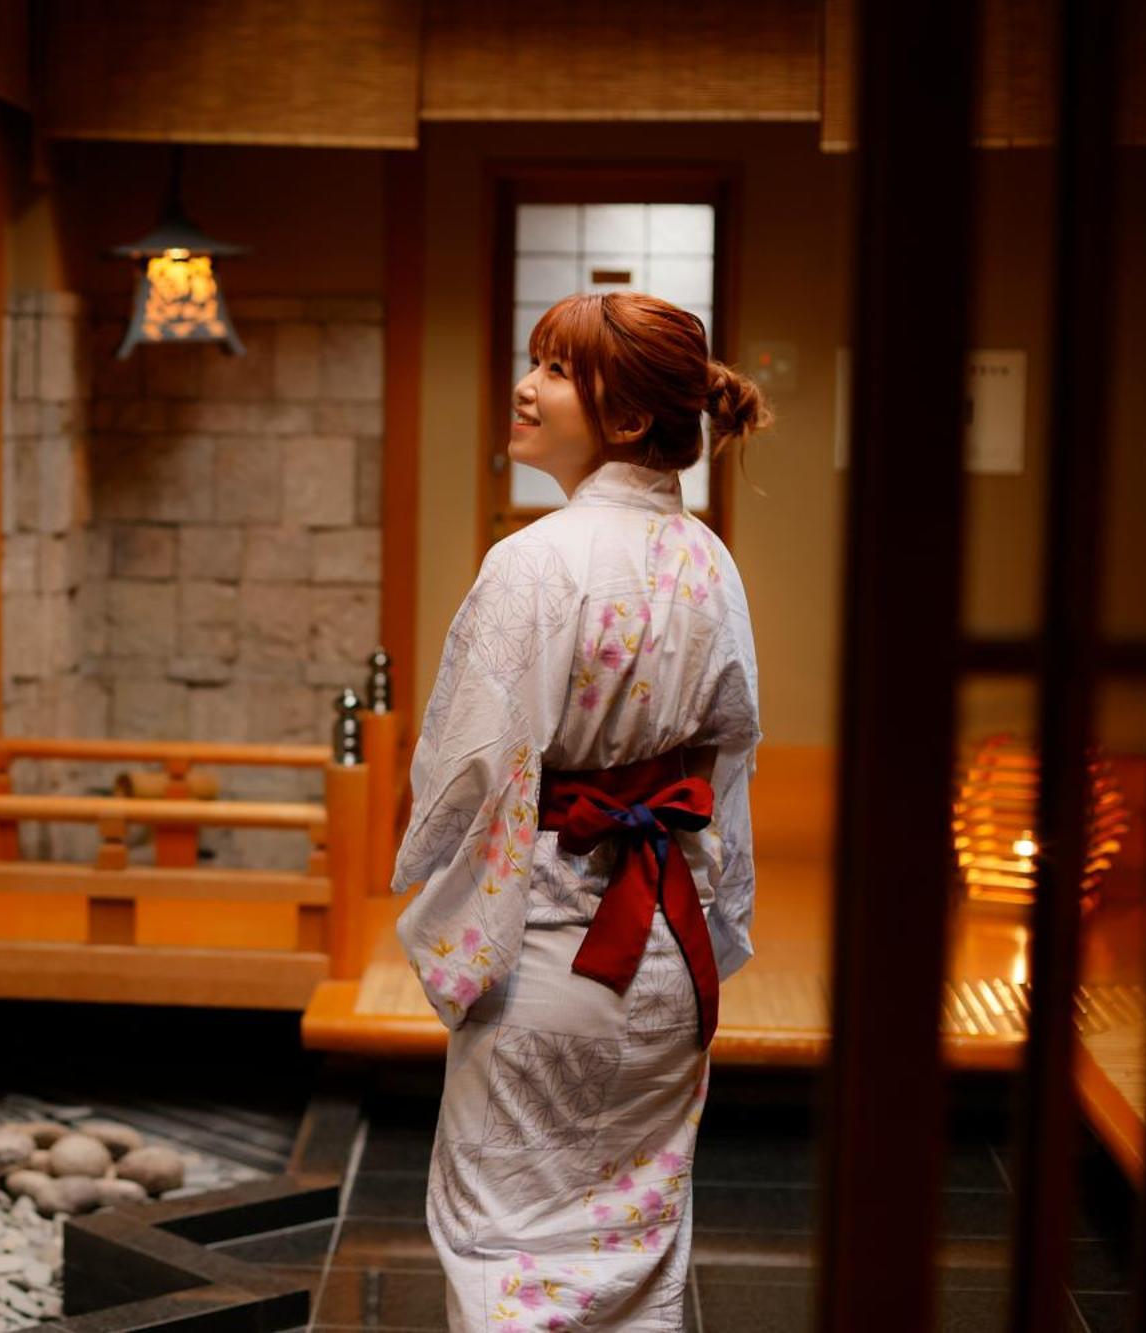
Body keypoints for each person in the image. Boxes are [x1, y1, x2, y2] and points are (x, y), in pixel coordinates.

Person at [392, 290, 770, 1330]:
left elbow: (470, 772)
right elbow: (729, 758)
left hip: (552, 952)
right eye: (534, 362)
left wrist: (450, 927)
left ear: (631, 416)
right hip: (665, 969)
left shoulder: (534, 560)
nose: (524, 386)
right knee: (634, 1246)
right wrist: (716, 918)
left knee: (504, 1242)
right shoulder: (710, 560)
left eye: (555, 369)